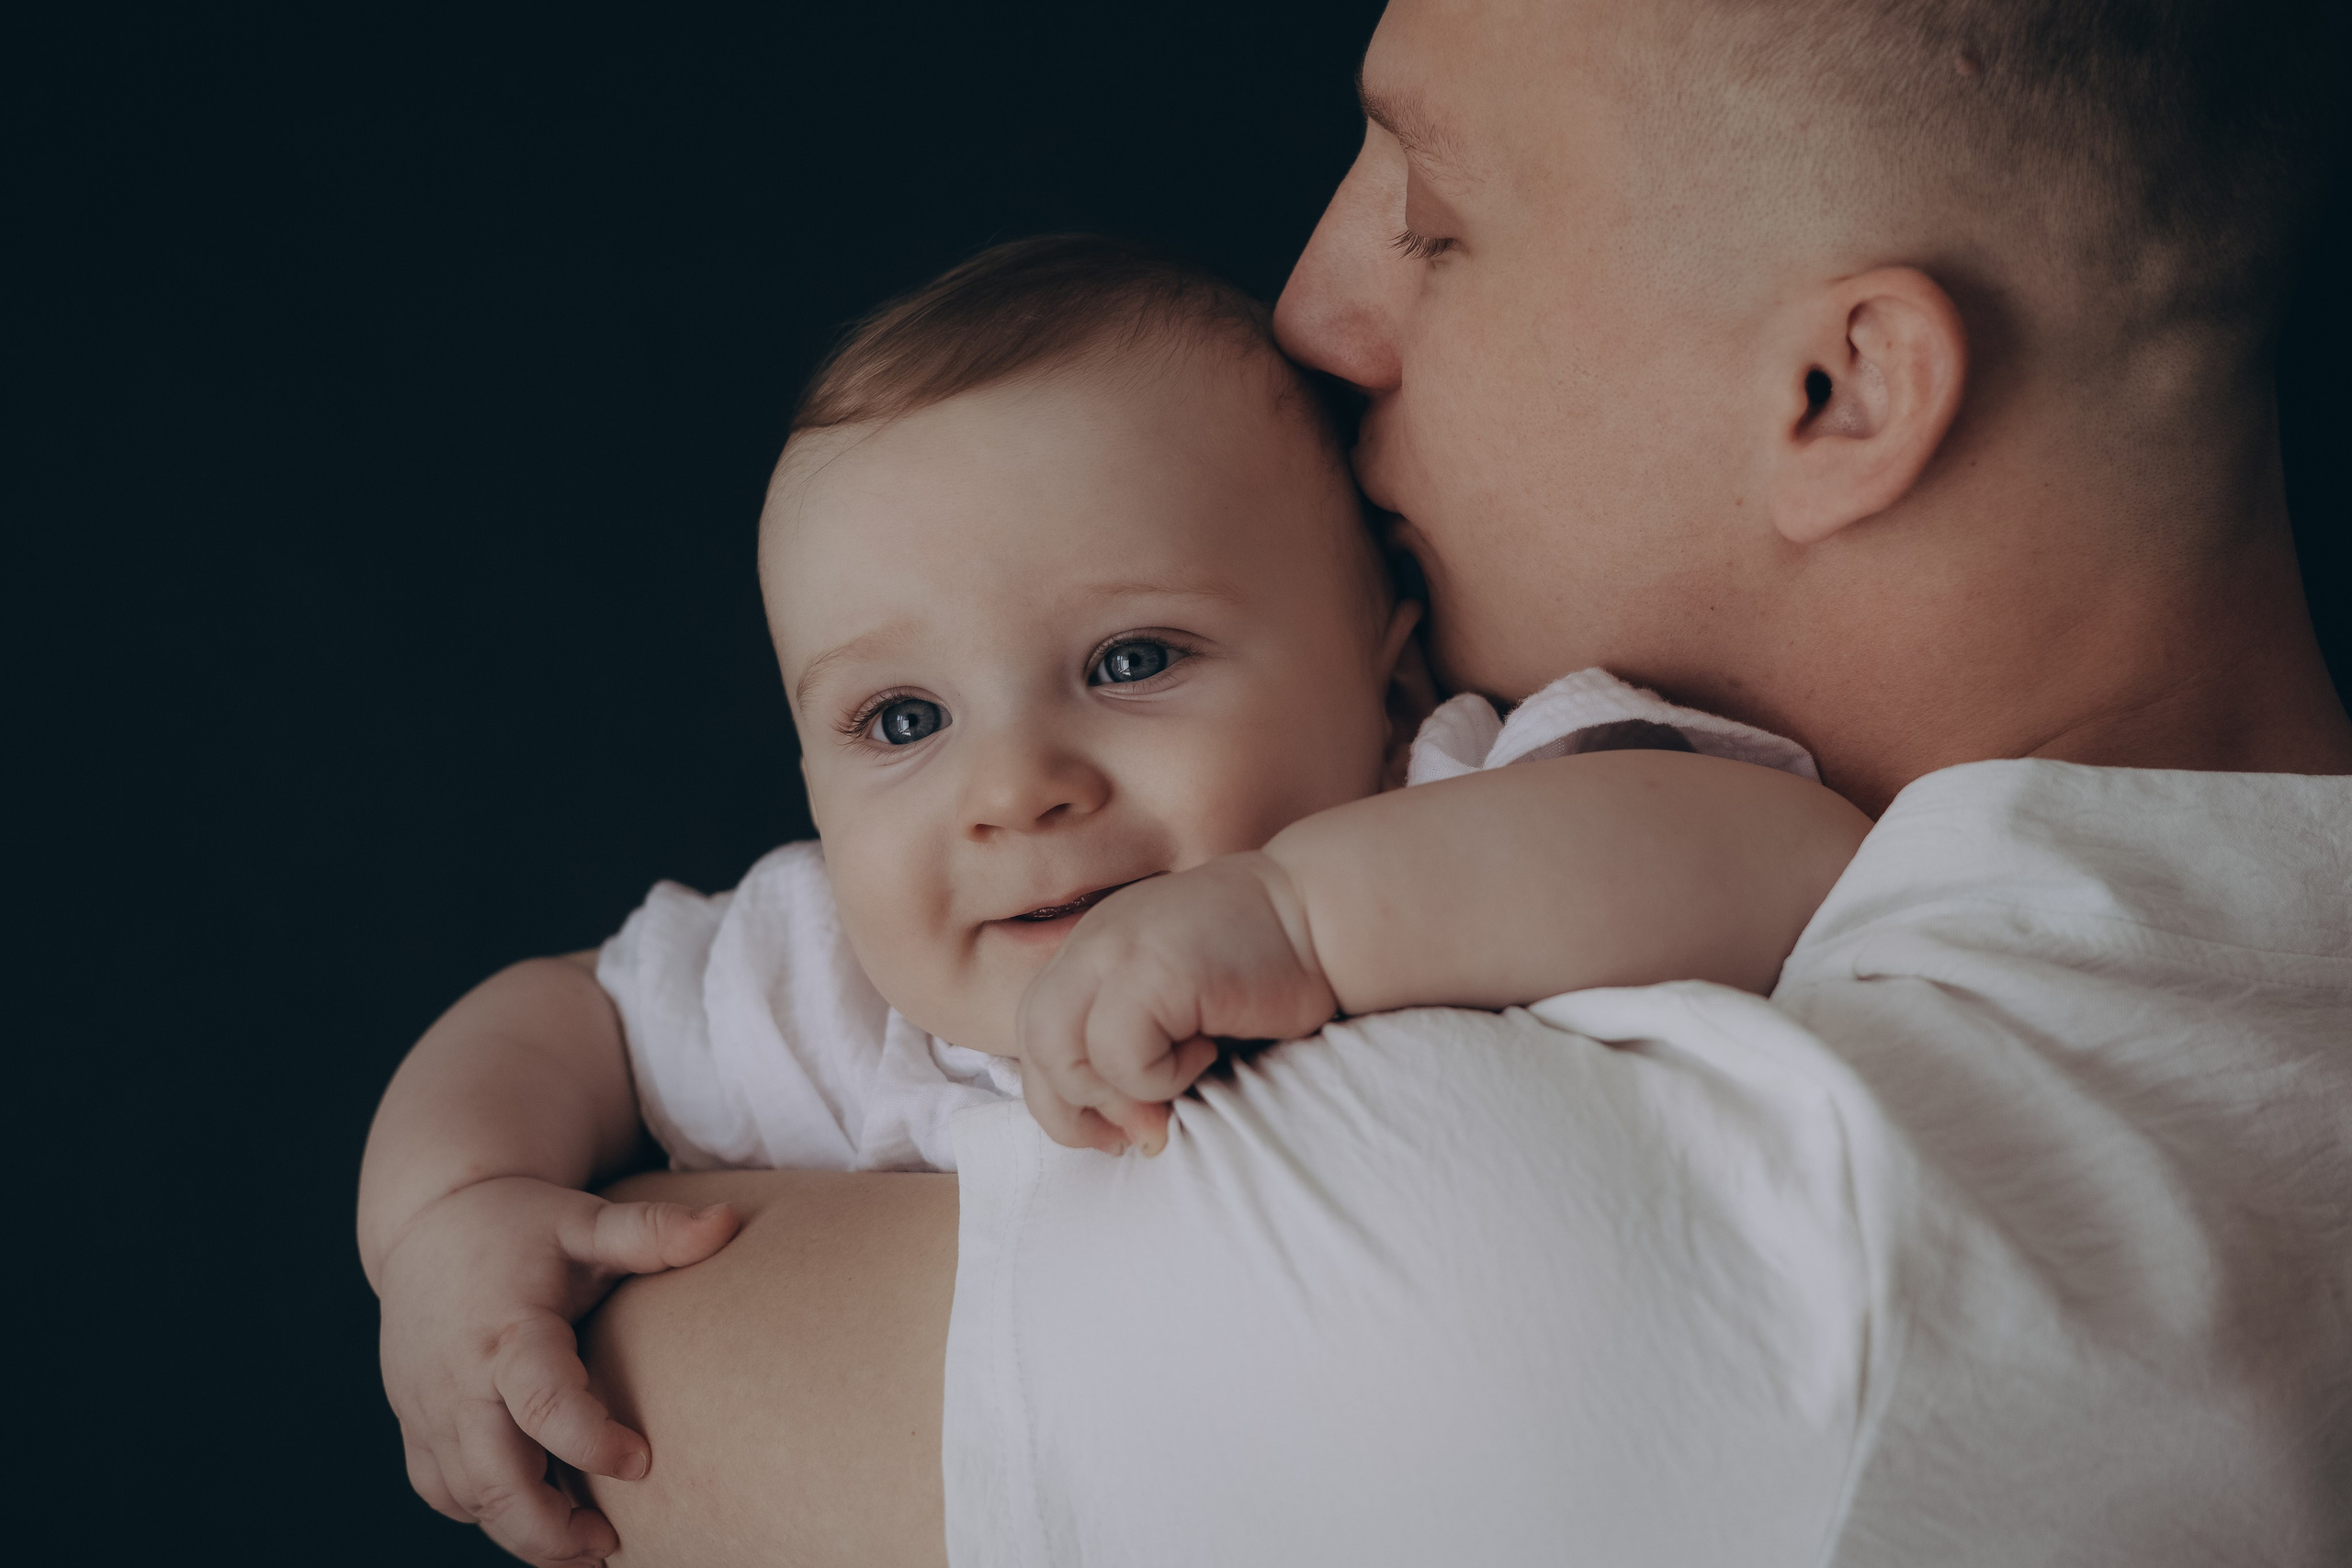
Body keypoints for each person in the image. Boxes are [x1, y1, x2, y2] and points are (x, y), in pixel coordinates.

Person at [401, 1, 2352, 1563]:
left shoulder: (1743, 1254)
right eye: (894, 717)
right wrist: (448, 1212)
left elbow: (626, 1397)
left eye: (1429, 216)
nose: (1318, 309)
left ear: (1831, 395)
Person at [358, 235, 1867, 1564]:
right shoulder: (833, 983)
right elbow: (561, 1013)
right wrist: (451, 1218)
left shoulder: (1453, 793)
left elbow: (1784, 854)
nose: (1013, 788)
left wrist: (1304, 918)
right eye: (900, 721)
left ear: (1388, 665)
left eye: (1132, 661)